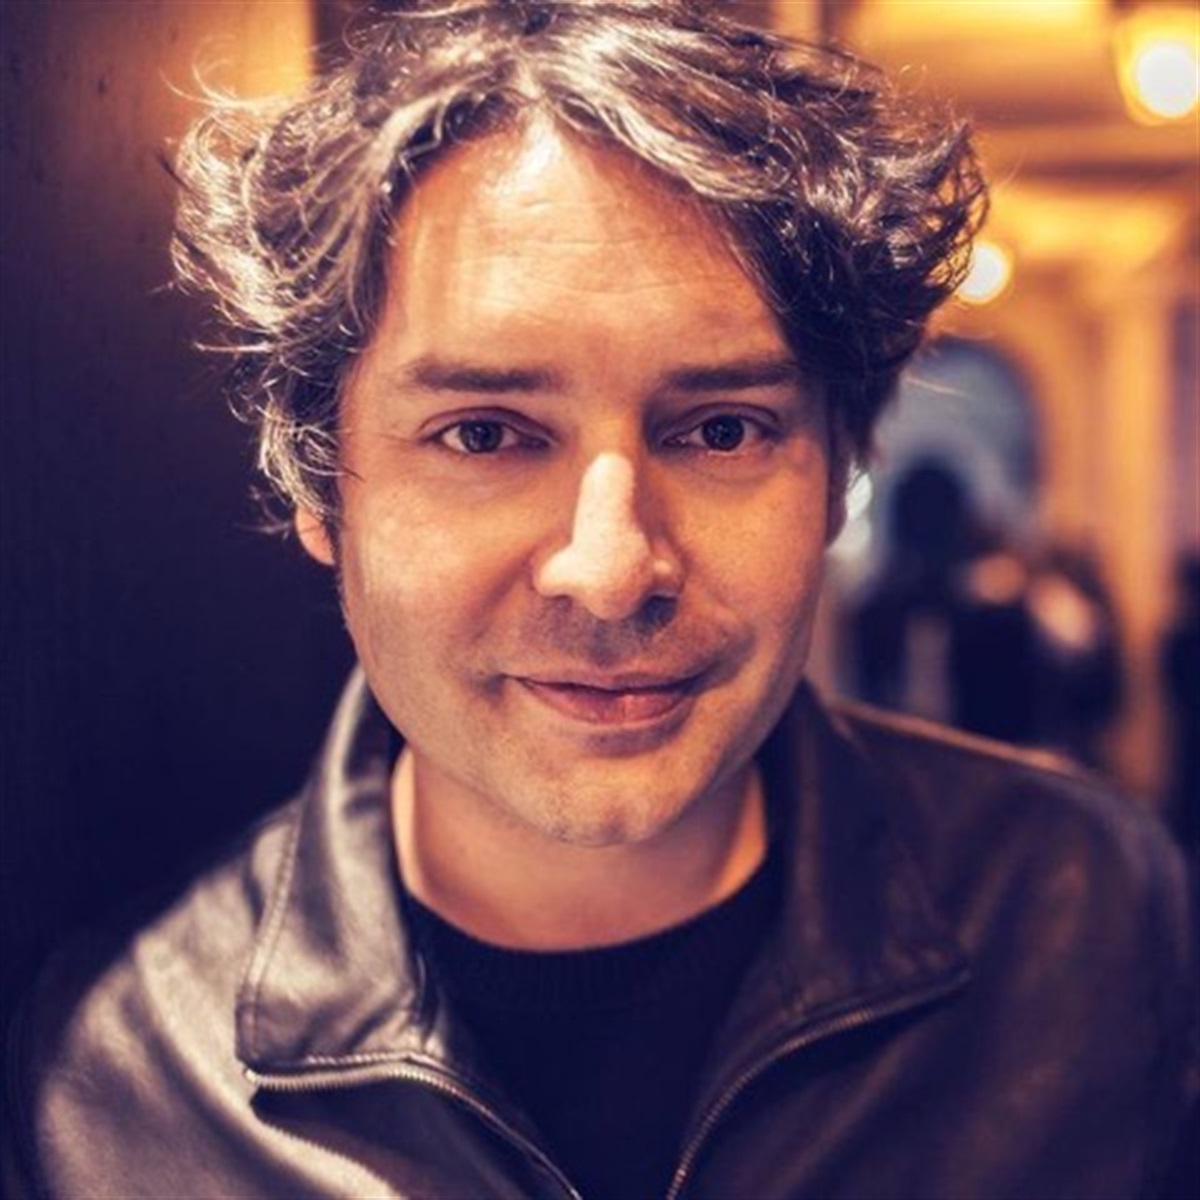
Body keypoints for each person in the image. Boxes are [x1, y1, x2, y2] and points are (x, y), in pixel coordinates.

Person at [6, 3, 1196, 1197]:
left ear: (838, 473)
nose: (613, 569)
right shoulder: (121, 1081)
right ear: (320, 489)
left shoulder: (1080, 913)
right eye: (484, 434)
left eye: (722, 430)